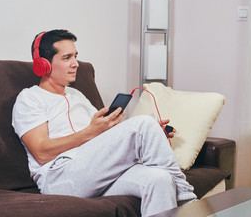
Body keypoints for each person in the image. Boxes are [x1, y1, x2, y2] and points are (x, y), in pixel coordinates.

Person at [12, 29, 196, 217]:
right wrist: (92, 132)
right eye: (67, 57)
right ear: (43, 65)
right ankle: (189, 201)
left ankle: (176, 186)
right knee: (143, 125)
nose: (75, 63)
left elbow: (105, 139)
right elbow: (41, 153)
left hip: (94, 173)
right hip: (60, 179)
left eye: (75, 56)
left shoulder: (77, 96)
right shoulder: (30, 98)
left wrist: (153, 136)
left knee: (160, 179)